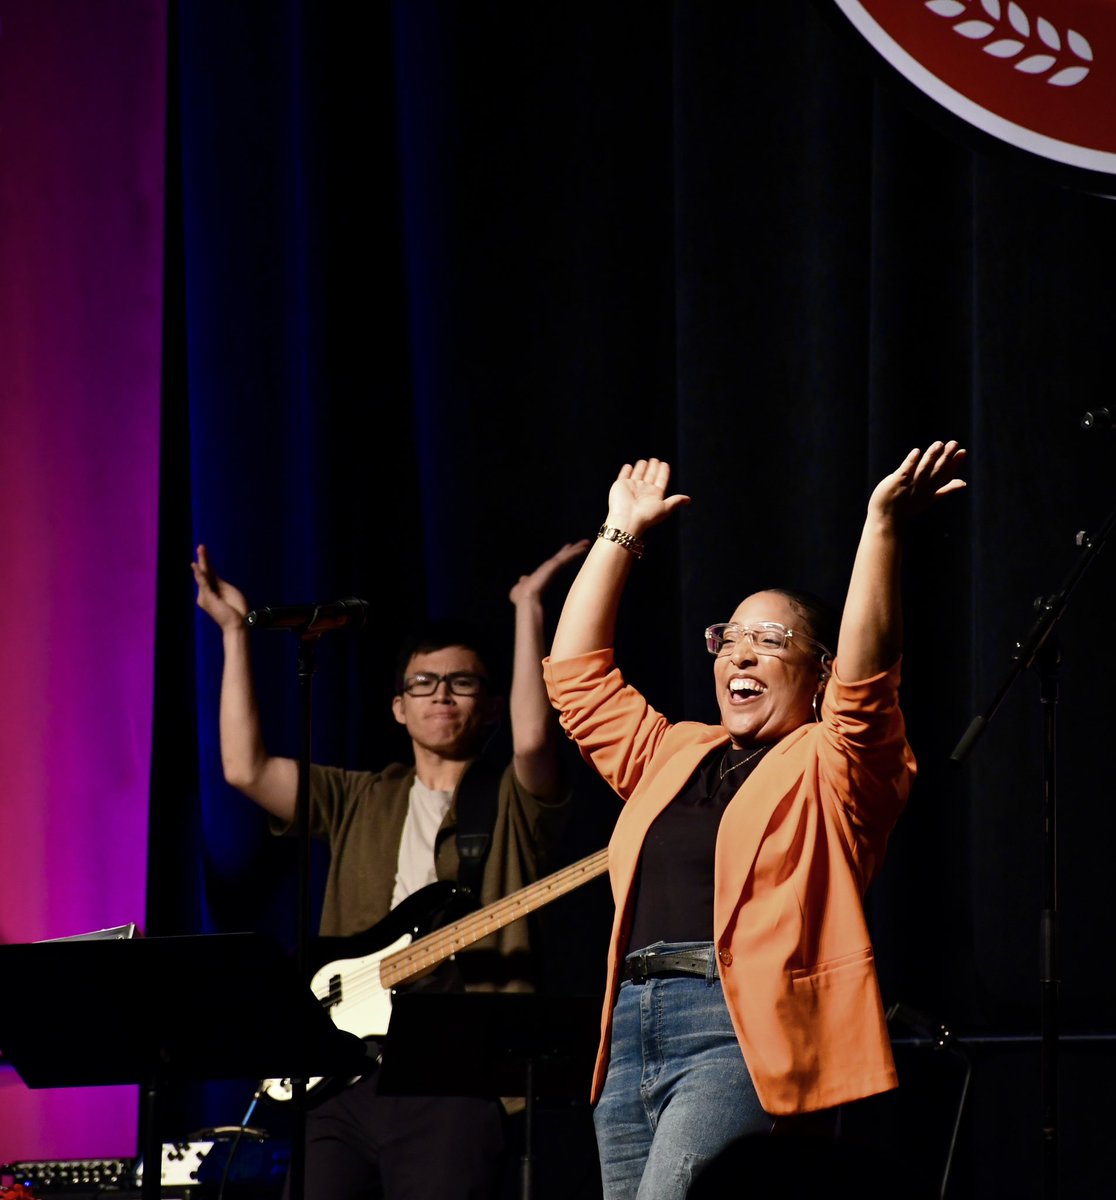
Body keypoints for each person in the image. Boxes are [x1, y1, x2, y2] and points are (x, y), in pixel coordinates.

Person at [543, 444, 966, 1200]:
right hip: (630, 1025)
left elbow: (870, 679)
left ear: (818, 671)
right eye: (728, 637)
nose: (741, 652)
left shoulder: (836, 764)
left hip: (735, 1029)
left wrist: (882, 530)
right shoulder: (674, 751)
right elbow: (576, 679)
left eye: (770, 641)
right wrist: (621, 533)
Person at [191, 538, 587, 1200]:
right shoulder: (359, 795)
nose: (441, 697)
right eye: (423, 684)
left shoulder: (514, 802)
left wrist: (528, 610)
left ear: (489, 705)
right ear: (398, 706)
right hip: (343, 1076)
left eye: (462, 684)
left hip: (455, 1079)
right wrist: (234, 632)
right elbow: (245, 769)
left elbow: (533, 738)